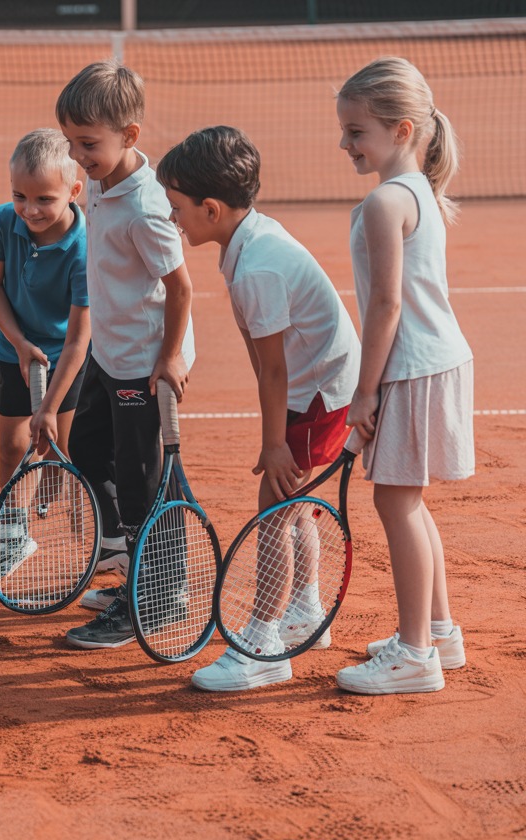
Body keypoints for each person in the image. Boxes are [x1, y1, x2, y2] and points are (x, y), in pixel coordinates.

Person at [155, 126, 362, 691]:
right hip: (313, 387)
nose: (173, 218)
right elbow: (262, 353)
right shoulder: (244, 242)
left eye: (177, 208)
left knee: (274, 508)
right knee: (292, 504)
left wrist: (274, 444)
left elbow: (274, 368)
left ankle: (265, 646)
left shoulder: (257, 267)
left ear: (212, 208)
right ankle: (306, 612)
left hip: (320, 393)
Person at [333, 57, 473, 694]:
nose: (346, 143)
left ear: (401, 129)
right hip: (433, 362)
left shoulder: (389, 200)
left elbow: (386, 305)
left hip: (410, 369)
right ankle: (439, 632)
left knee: (395, 500)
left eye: (357, 130)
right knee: (408, 500)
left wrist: (365, 394)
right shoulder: (420, 192)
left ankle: (416, 654)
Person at [53, 59, 196, 649]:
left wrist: (167, 359)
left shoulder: (145, 205)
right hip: (111, 354)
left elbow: (182, 286)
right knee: (87, 447)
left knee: (141, 480)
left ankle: (156, 599)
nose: (77, 155)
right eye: (70, 143)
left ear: (129, 137)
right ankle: (146, 565)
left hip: (145, 361)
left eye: (87, 144)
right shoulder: (107, 183)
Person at [0, 128, 91, 572]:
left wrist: (49, 403)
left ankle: (100, 548)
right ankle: (12, 531)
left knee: (61, 447)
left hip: (68, 356)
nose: (29, 209)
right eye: (19, 196)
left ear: (74, 191)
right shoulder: (3, 221)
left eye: (44, 198)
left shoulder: (84, 250)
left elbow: (80, 338)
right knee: (14, 445)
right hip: (15, 348)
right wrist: (19, 343)